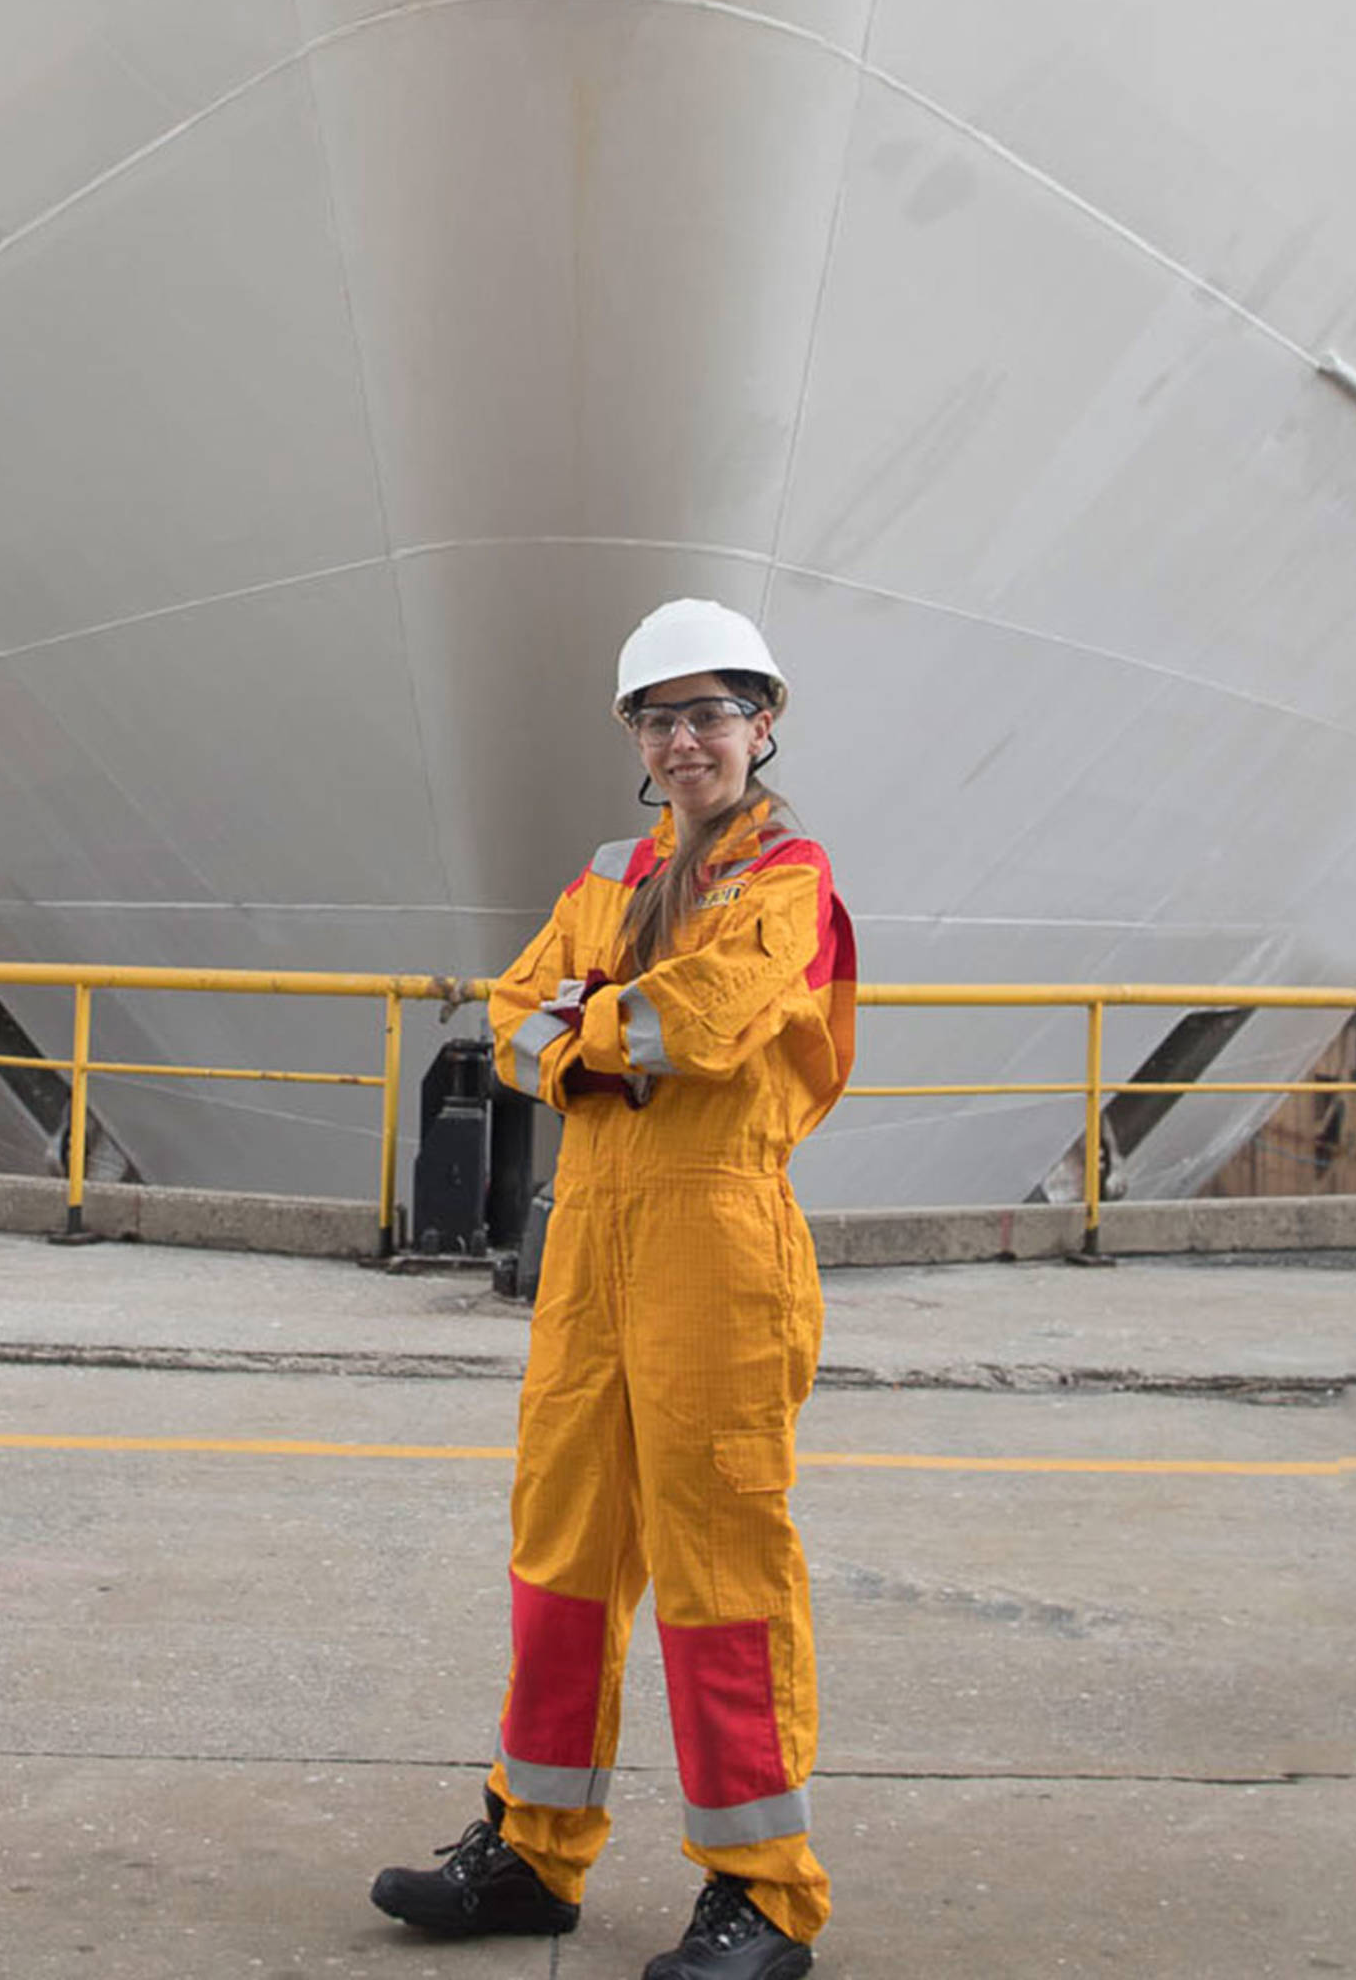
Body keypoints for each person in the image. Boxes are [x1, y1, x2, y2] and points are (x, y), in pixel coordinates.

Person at [373, 599, 855, 1980]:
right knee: (562, 1545)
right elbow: (506, 1016)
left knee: (721, 1558)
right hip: (586, 1232)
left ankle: (762, 1892)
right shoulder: (608, 871)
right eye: (662, 715)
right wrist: (592, 1031)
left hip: (717, 1230)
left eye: (712, 711)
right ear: (636, 738)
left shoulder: (787, 878)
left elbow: (705, 1020)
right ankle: (534, 1843)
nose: (687, 737)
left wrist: (581, 1025)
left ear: (763, 723)